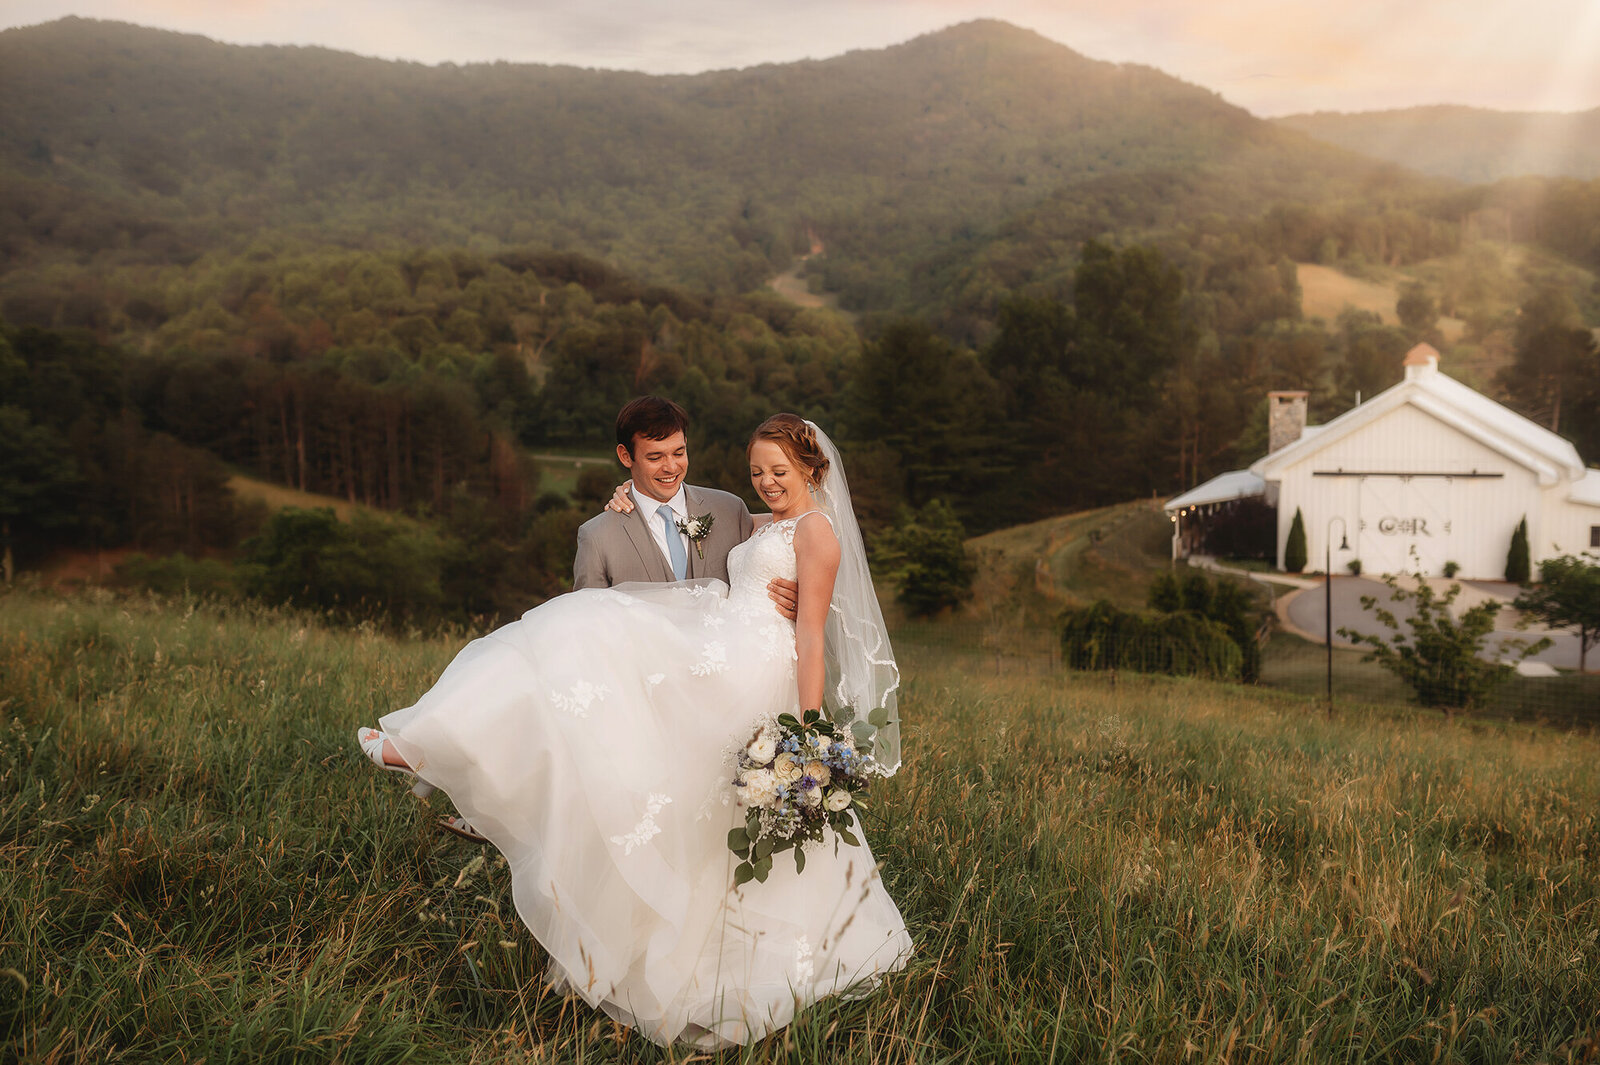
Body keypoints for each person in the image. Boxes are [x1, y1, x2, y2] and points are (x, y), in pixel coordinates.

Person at [356, 414, 910, 1047]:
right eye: (756, 471)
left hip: (750, 667)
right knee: (584, 638)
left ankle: (455, 759)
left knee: (597, 643)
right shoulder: (764, 519)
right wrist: (631, 500)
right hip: (717, 643)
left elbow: (810, 636)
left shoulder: (817, 533)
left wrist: (808, 738)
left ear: (813, 469)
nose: (765, 483)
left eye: (779, 472)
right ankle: (442, 745)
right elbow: (724, 526)